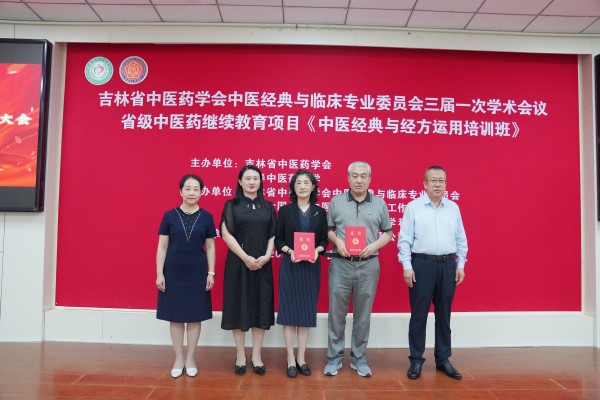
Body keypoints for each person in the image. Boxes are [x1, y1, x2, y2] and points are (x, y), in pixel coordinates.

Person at [397, 165, 468, 380]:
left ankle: (443, 359)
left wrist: (460, 264)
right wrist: (407, 266)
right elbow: (404, 240)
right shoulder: (413, 207)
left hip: (447, 265)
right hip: (422, 264)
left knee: (444, 315)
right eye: (433, 180)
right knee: (419, 315)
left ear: (446, 184)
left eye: (441, 180)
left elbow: (460, 239)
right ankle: (416, 360)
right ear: (425, 184)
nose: (438, 184)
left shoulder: (453, 208)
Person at [324, 161, 393, 377]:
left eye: (364, 176)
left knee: (363, 314)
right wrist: (338, 242)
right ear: (348, 178)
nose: (359, 180)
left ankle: (359, 358)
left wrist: (374, 246)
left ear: (370, 179)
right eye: (355, 176)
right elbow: (329, 229)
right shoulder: (336, 201)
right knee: (336, 313)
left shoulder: (379, 203)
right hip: (341, 264)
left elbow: (388, 233)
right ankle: (334, 358)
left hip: (368, 264)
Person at [156, 174, 216, 378]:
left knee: (194, 316)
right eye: (188, 189)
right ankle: (178, 358)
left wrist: (211, 272)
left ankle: (190, 358)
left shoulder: (207, 217)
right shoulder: (169, 216)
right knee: (175, 317)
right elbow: (162, 246)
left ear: (201, 192)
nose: (192, 192)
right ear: (180, 191)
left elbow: (210, 247)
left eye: (196, 189)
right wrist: (159, 273)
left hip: (197, 272)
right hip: (173, 272)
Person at [220, 165, 276, 376]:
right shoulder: (231, 205)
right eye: (248, 178)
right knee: (238, 307)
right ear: (240, 181)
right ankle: (241, 355)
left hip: (262, 264)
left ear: (260, 182)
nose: (252, 182)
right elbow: (226, 234)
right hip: (238, 264)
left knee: (261, 308)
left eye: (256, 178)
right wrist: (245, 258)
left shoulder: (269, 206)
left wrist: (267, 256)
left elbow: (273, 234)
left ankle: (257, 355)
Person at [275, 169, 329, 378]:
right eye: (298, 183)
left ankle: (301, 358)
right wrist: (290, 251)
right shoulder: (285, 211)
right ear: (293, 187)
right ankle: (290, 358)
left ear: (313, 187)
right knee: (289, 314)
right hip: (291, 266)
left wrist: (316, 251)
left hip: (311, 267)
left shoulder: (320, 212)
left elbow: (324, 240)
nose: (303, 186)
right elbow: (279, 239)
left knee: (306, 313)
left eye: (307, 182)